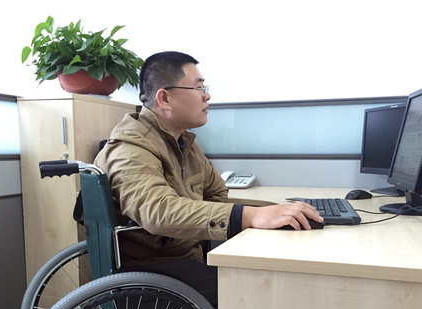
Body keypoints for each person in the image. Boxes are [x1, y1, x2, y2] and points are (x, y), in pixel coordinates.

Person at [94, 51, 322, 276]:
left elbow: (216, 192)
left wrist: (267, 212)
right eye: (199, 88)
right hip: (155, 274)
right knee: (264, 281)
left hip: (188, 259)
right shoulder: (130, 146)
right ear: (165, 99)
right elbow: (157, 210)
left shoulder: (185, 141)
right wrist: (250, 216)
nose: (207, 96)